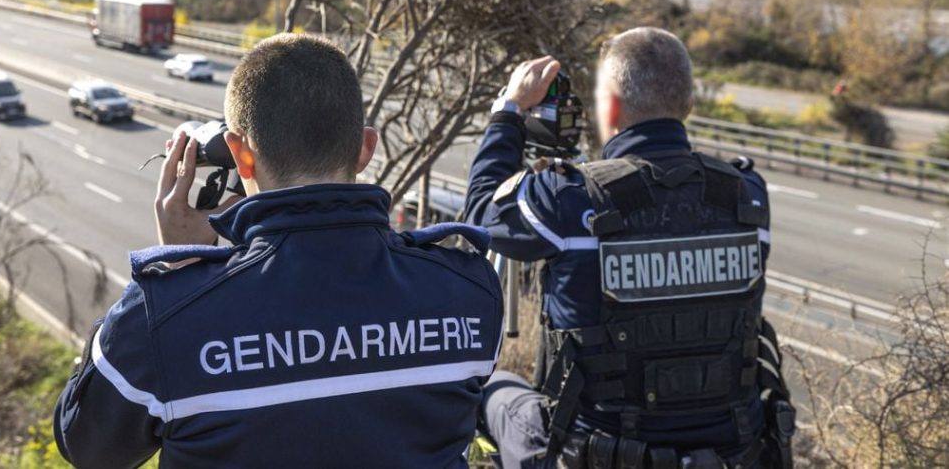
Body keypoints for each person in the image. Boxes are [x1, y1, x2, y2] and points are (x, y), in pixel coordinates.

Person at [53, 33, 504, 468]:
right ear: (365, 149)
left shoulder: (166, 320)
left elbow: (88, 447)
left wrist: (179, 266)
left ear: (240, 155)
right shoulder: (470, 291)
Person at [465, 28, 795, 468]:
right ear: (688, 104)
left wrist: (508, 113)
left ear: (611, 106)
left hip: (596, 455)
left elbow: (481, 217)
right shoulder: (746, 195)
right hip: (733, 454)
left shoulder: (568, 200)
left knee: (490, 389)